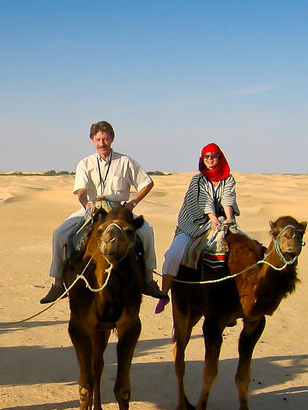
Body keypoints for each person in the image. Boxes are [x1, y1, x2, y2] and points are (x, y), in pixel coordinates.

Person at [40, 120, 166, 304]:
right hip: (92, 208)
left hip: (117, 208)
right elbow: (81, 190)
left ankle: (148, 280)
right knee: (59, 235)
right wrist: (85, 204)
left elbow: (147, 183)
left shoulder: (125, 161)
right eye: (98, 139)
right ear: (92, 140)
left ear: (112, 139)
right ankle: (58, 284)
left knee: (147, 232)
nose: (102, 143)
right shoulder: (85, 163)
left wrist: (132, 203)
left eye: (105, 139)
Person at [155, 143, 238, 313]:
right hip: (193, 225)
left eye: (213, 156)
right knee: (173, 255)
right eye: (206, 156)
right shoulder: (198, 180)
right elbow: (203, 201)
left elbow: (228, 199)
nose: (209, 159)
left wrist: (229, 219)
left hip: (221, 224)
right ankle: (164, 294)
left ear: (219, 157)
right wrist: (212, 218)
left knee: (245, 247)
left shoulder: (228, 179)